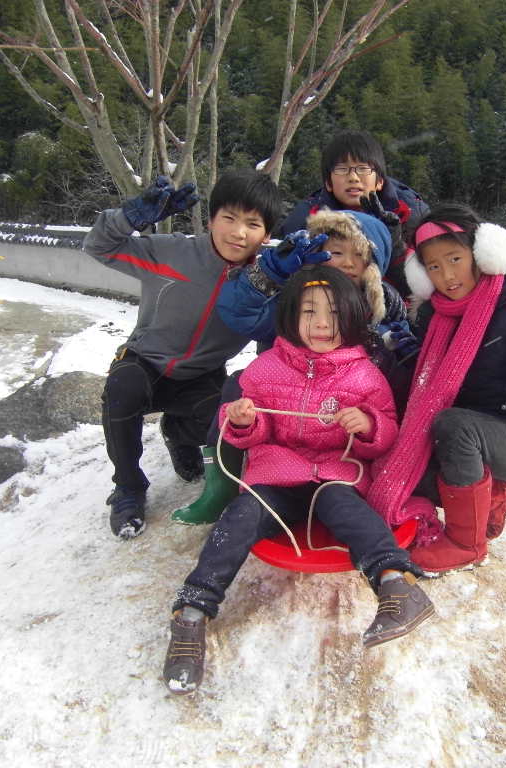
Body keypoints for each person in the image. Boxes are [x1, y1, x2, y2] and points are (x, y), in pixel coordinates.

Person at [162, 265, 435, 695]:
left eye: (333, 313)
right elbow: (253, 432)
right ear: (291, 316)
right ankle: (192, 613)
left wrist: (367, 424)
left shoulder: (365, 375)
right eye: (309, 311)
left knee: (344, 507)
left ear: (352, 317)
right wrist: (243, 421)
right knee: (242, 514)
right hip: (277, 476)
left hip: (335, 475)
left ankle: (396, 585)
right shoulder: (265, 368)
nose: (322, 323)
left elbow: (385, 435)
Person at [175, 207, 418, 525]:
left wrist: (404, 355)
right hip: (283, 402)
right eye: (335, 252)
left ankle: (379, 487)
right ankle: (221, 482)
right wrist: (270, 272)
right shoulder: (297, 297)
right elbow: (240, 312)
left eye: (359, 254)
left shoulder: (386, 306)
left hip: (346, 419)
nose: (347, 262)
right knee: (238, 385)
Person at [366, 203, 506, 573]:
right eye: (433, 266)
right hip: (461, 434)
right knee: (401, 462)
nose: (447, 275)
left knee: (454, 425)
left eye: (455, 259)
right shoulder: (435, 314)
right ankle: (489, 498)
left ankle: (467, 544)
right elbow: (422, 384)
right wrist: (388, 356)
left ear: (482, 254)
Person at [83, 170, 283, 539]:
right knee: (122, 388)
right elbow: (99, 246)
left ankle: (178, 433)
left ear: (267, 235)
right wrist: (131, 217)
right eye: (229, 218)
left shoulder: (267, 280)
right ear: (211, 220)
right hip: (145, 363)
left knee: (226, 421)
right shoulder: (174, 252)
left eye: (253, 224)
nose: (239, 232)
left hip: (203, 376)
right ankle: (128, 487)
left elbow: (278, 336)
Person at [277, 130, 429, 296]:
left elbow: (425, 288)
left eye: (363, 168)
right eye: (342, 169)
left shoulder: (411, 216)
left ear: (380, 181)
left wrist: (395, 247)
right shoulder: (305, 221)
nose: (353, 177)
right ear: (328, 183)